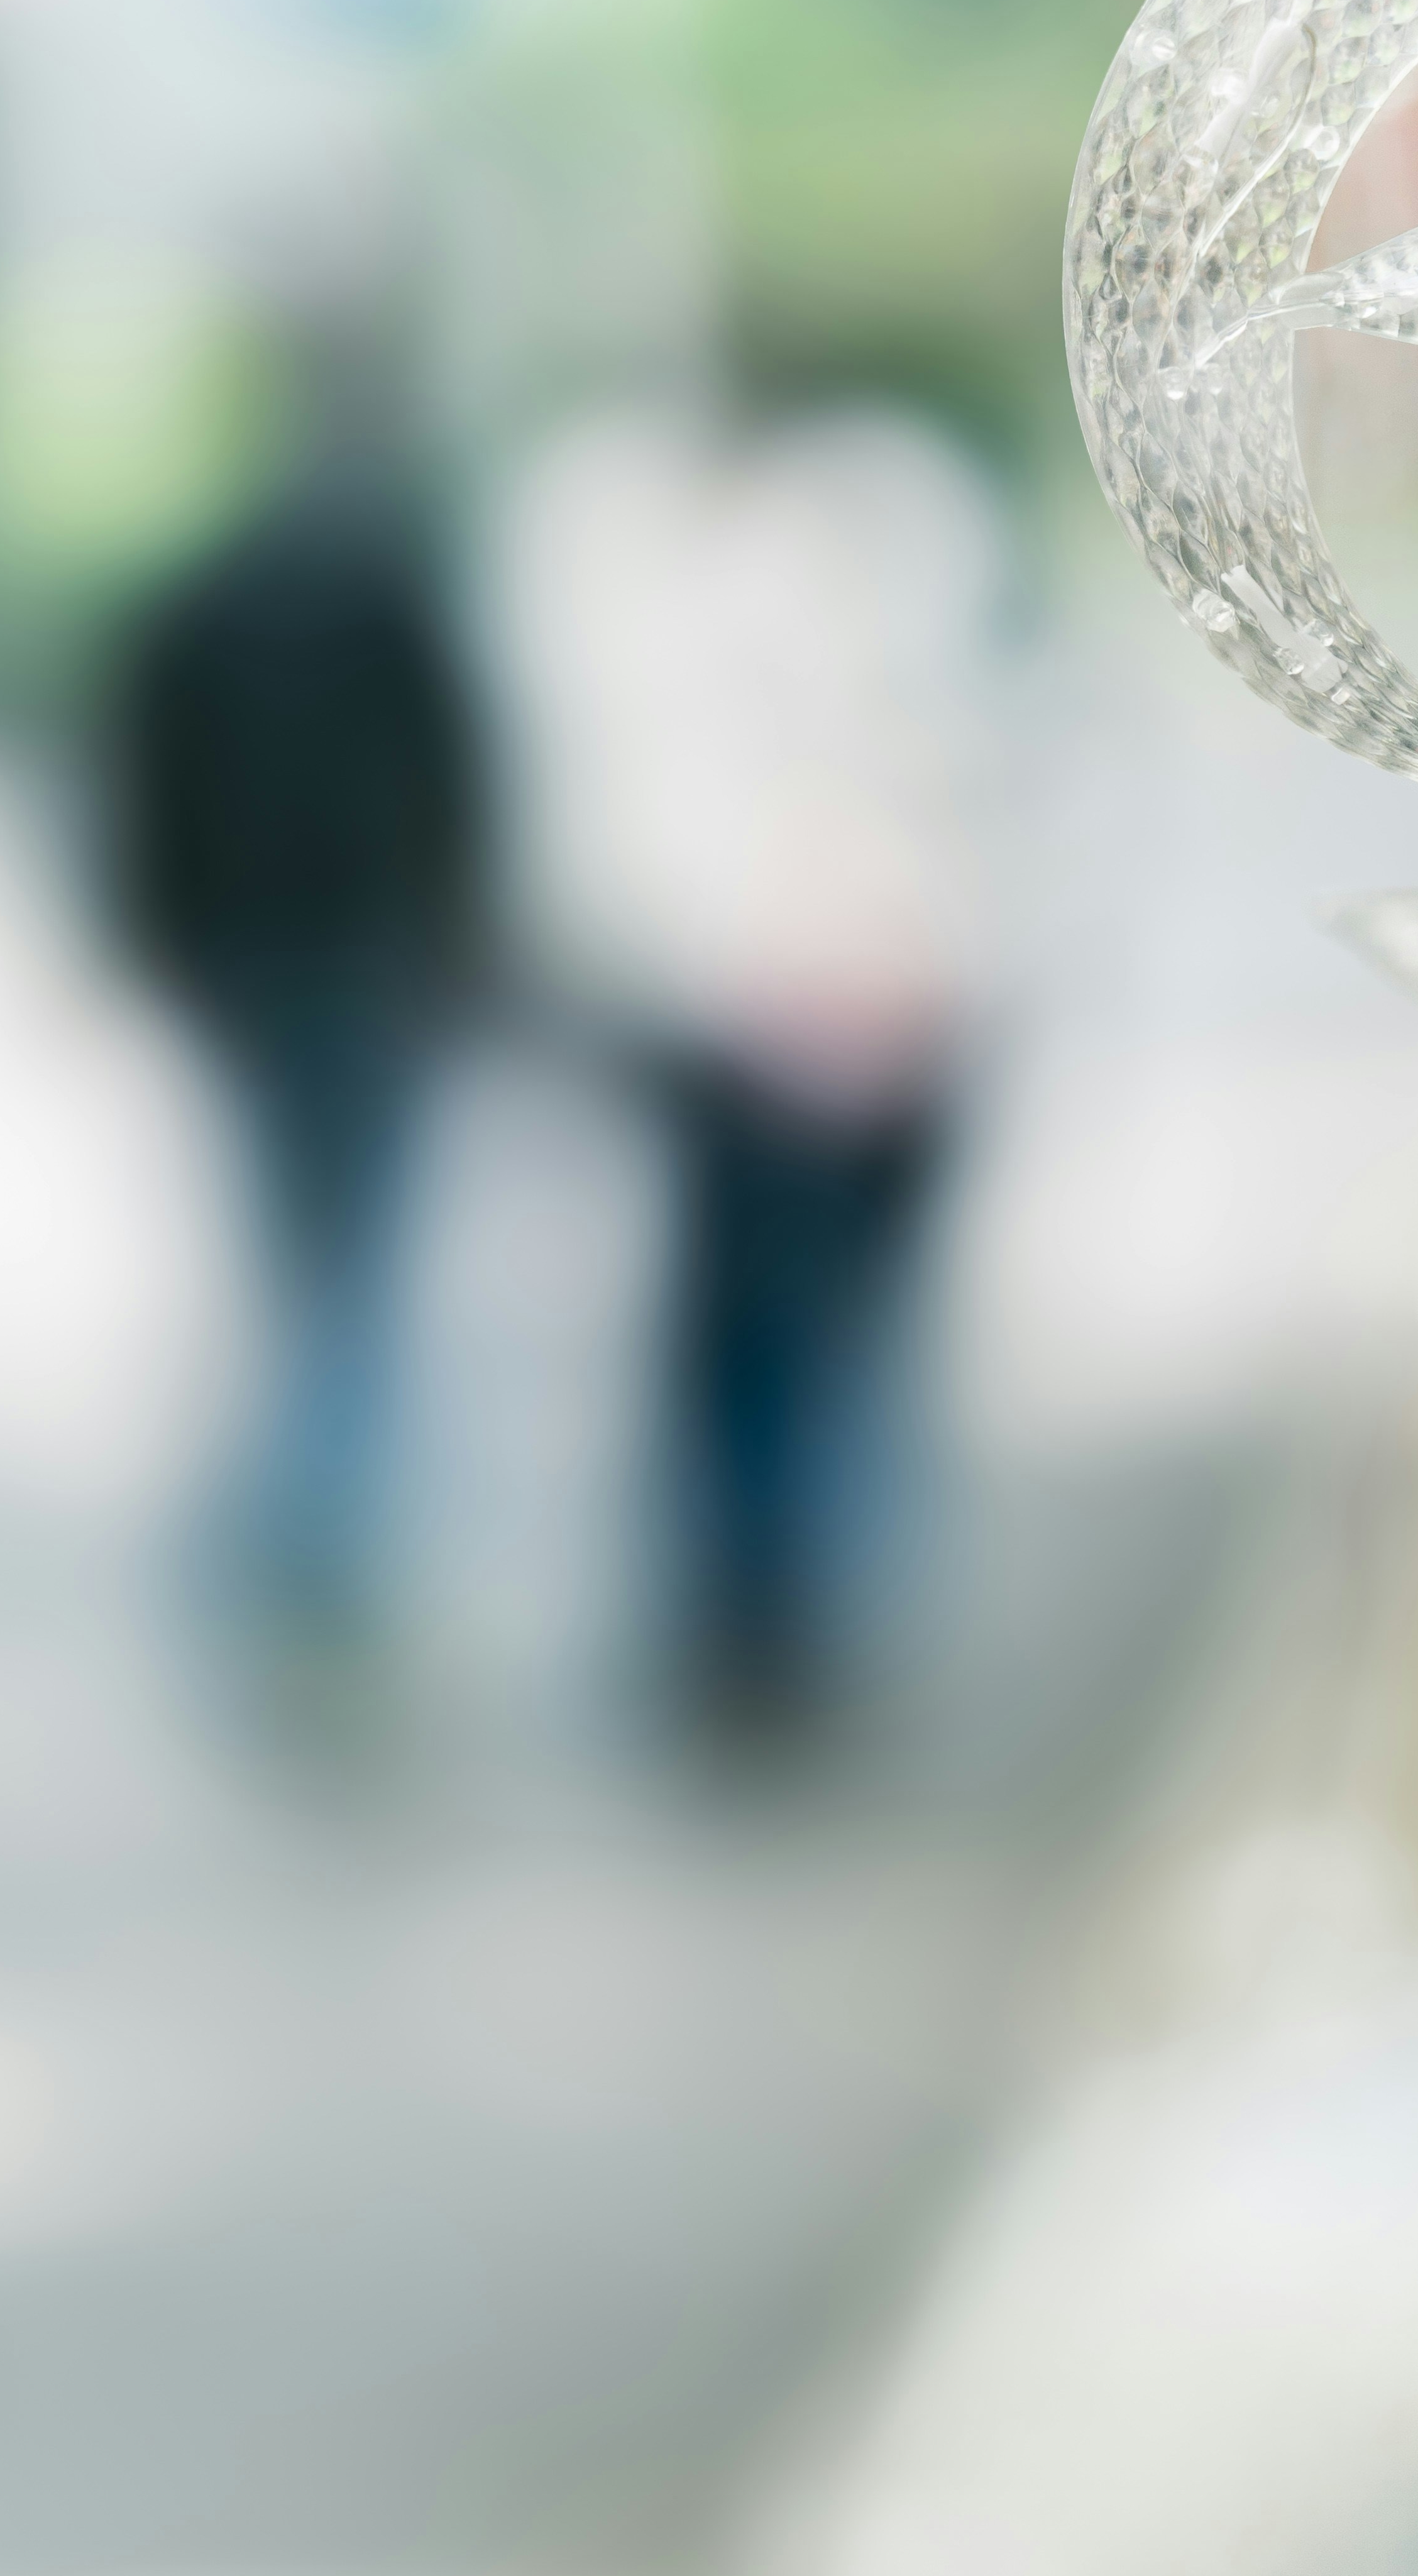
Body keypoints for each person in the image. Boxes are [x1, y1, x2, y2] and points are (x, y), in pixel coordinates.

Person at [487, 393, 1008, 1738]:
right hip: (810, 1031)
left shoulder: (706, 669)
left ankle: (762, 1618)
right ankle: (782, 1615)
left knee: (748, 1357)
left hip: (769, 1034)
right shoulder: (881, 669)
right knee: (804, 1352)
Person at [101, 470, 488, 1660]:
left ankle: (300, 1516)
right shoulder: (387, 603)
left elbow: (145, 789)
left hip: (251, 963)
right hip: (364, 962)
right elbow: (456, 780)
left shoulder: (198, 608)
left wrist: (155, 936)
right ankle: (322, 1525)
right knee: (352, 1258)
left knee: (284, 1248)